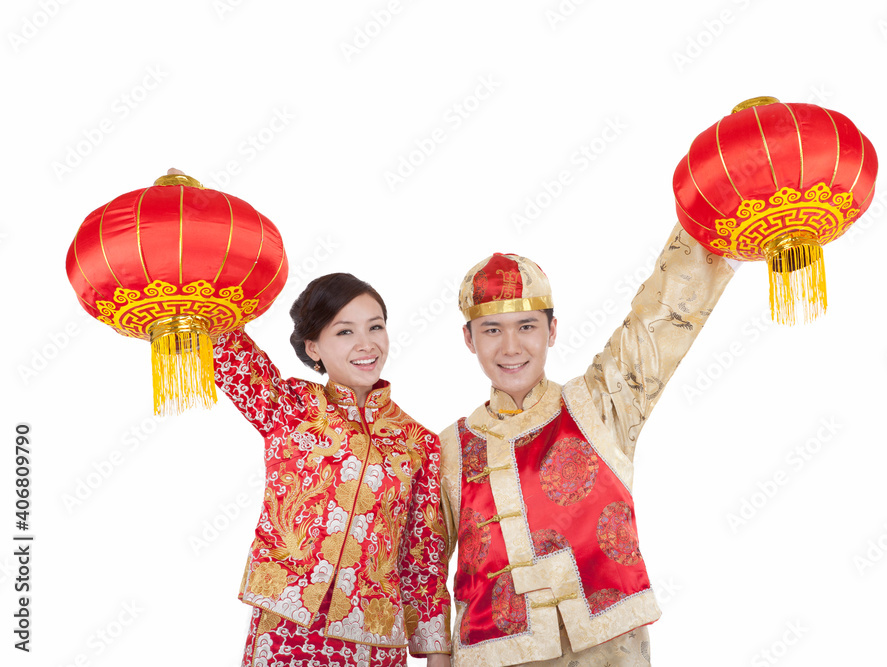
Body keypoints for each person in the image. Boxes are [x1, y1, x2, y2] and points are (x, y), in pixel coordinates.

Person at [438, 223, 737, 666]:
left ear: (552, 330)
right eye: (492, 330)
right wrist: (437, 655)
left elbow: (655, 323)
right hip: (492, 655)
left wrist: (716, 231)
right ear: (469, 339)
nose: (511, 346)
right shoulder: (451, 448)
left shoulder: (597, 405)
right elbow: (420, 566)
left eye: (526, 326)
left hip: (608, 651)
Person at [213, 273, 452, 667]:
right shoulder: (288, 409)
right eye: (344, 332)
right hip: (287, 633)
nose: (366, 344)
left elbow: (422, 560)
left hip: (374, 641)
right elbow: (227, 347)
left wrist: (436, 654)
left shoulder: (418, 442)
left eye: (376, 327)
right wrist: (188, 289)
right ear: (313, 348)